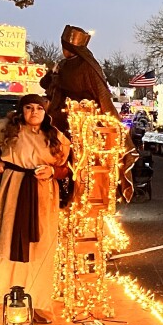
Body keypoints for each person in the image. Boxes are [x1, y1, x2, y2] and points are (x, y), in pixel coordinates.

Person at [39, 25, 137, 199]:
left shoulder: (88, 66)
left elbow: (99, 94)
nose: (63, 51)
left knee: (80, 163)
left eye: (65, 47)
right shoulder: (61, 65)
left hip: (82, 122)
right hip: (58, 117)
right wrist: (53, 75)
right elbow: (45, 84)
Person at [0, 95, 71, 323]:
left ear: (45, 111)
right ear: (21, 110)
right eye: (29, 108)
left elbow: (67, 168)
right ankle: (3, 296)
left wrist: (53, 172)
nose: (34, 112)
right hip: (13, 190)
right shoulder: (5, 130)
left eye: (39, 108)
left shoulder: (55, 136)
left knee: (41, 247)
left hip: (43, 194)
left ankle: (39, 302)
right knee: (7, 242)